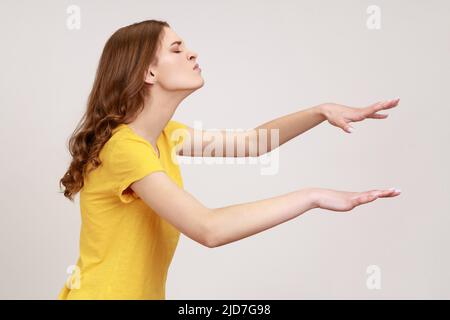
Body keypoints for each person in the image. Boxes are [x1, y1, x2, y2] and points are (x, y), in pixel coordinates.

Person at [57, 19, 401, 300]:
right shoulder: (123, 149)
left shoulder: (165, 135)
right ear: (148, 73)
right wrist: (312, 196)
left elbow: (254, 143)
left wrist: (320, 111)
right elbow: (209, 229)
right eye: (177, 49)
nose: (192, 53)